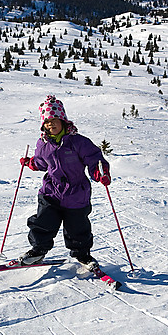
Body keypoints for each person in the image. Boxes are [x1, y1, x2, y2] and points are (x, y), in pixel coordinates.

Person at [18, 95, 111, 270]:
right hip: (51, 191)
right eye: (47, 122)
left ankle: (83, 255)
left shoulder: (78, 142)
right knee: (43, 222)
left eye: (54, 120)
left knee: (78, 228)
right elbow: (41, 162)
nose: (51, 124)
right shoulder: (43, 143)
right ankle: (38, 251)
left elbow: (94, 159)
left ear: (63, 120)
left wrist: (100, 173)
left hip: (76, 194)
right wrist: (30, 163)